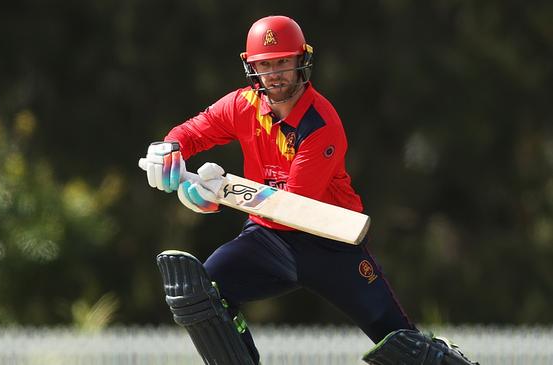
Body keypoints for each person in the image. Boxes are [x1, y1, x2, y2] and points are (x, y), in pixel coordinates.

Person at [142, 15, 477, 365]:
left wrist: (220, 191)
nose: (274, 73)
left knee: (403, 345)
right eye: (265, 64)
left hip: (330, 242)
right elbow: (195, 131)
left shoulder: (321, 123)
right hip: (269, 239)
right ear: (251, 67)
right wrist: (169, 151)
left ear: (301, 60)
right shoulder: (243, 105)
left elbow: (292, 206)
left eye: (283, 61)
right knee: (203, 293)